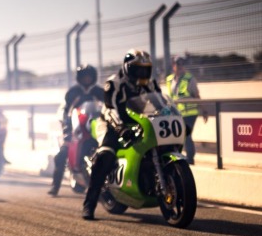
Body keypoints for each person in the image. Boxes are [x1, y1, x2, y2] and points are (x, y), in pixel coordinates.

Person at [82, 49, 160, 220]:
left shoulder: (150, 84)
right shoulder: (114, 83)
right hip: (110, 122)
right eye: (137, 69)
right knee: (105, 155)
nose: (142, 74)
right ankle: (89, 205)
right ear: (127, 68)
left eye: (145, 70)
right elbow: (111, 109)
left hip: (137, 122)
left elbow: (160, 104)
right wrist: (121, 129)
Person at [47, 65, 104, 196]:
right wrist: (67, 131)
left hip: (96, 128)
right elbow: (65, 112)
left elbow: (108, 107)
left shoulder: (99, 91)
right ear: (79, 78)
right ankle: (55, 186)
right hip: (77, 130)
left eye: (89, 76)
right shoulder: (73, 92)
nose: (87, 79)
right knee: (61, 155)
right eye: (84, 76)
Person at [165, 56, 203, 164]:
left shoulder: (189, 78)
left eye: (182, 64)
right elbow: (170, 97)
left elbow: (197, 95)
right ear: (173, 66)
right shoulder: (169, 79)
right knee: (179, 135)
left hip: (190, 113)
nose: (180, 66)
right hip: (177, 113)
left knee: (186, 134)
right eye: (178, 64)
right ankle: (180, 157)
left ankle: (190, 158)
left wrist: (203, 110)